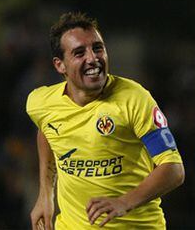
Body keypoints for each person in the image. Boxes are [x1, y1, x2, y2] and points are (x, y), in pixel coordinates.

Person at [26, 12, 184, 229]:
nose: (92, 58)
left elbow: (173, 168)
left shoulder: (134, 98)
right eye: (79, 53)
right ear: (59, 65)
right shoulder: (41, 102)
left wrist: (124, 202)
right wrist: (45, 196)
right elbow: (46, 131)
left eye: (98, 48)